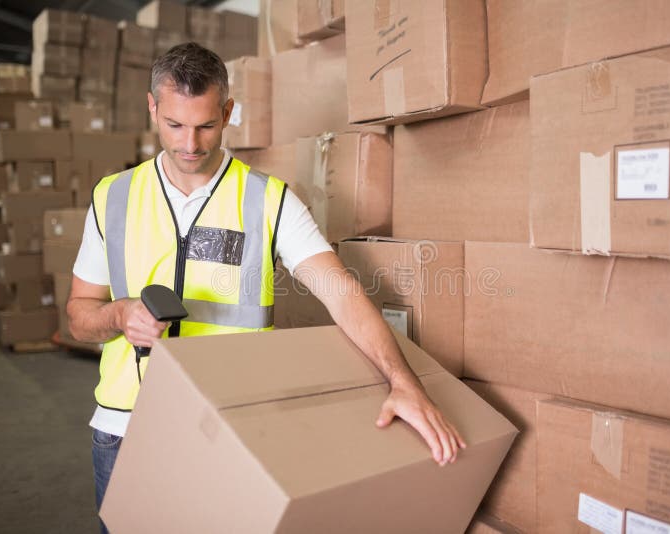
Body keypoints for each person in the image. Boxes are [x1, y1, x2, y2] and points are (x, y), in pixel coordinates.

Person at [68, 42, 465, 532]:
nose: (190, 143)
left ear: (228, 113)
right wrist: (117, 315)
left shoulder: (268, 200)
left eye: (206, 125)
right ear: (152, 108)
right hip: (126, 430)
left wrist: (404, 383)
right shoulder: (112, 198)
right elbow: (79, 314)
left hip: (232, 430)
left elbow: (340, 291)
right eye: (174, 125)